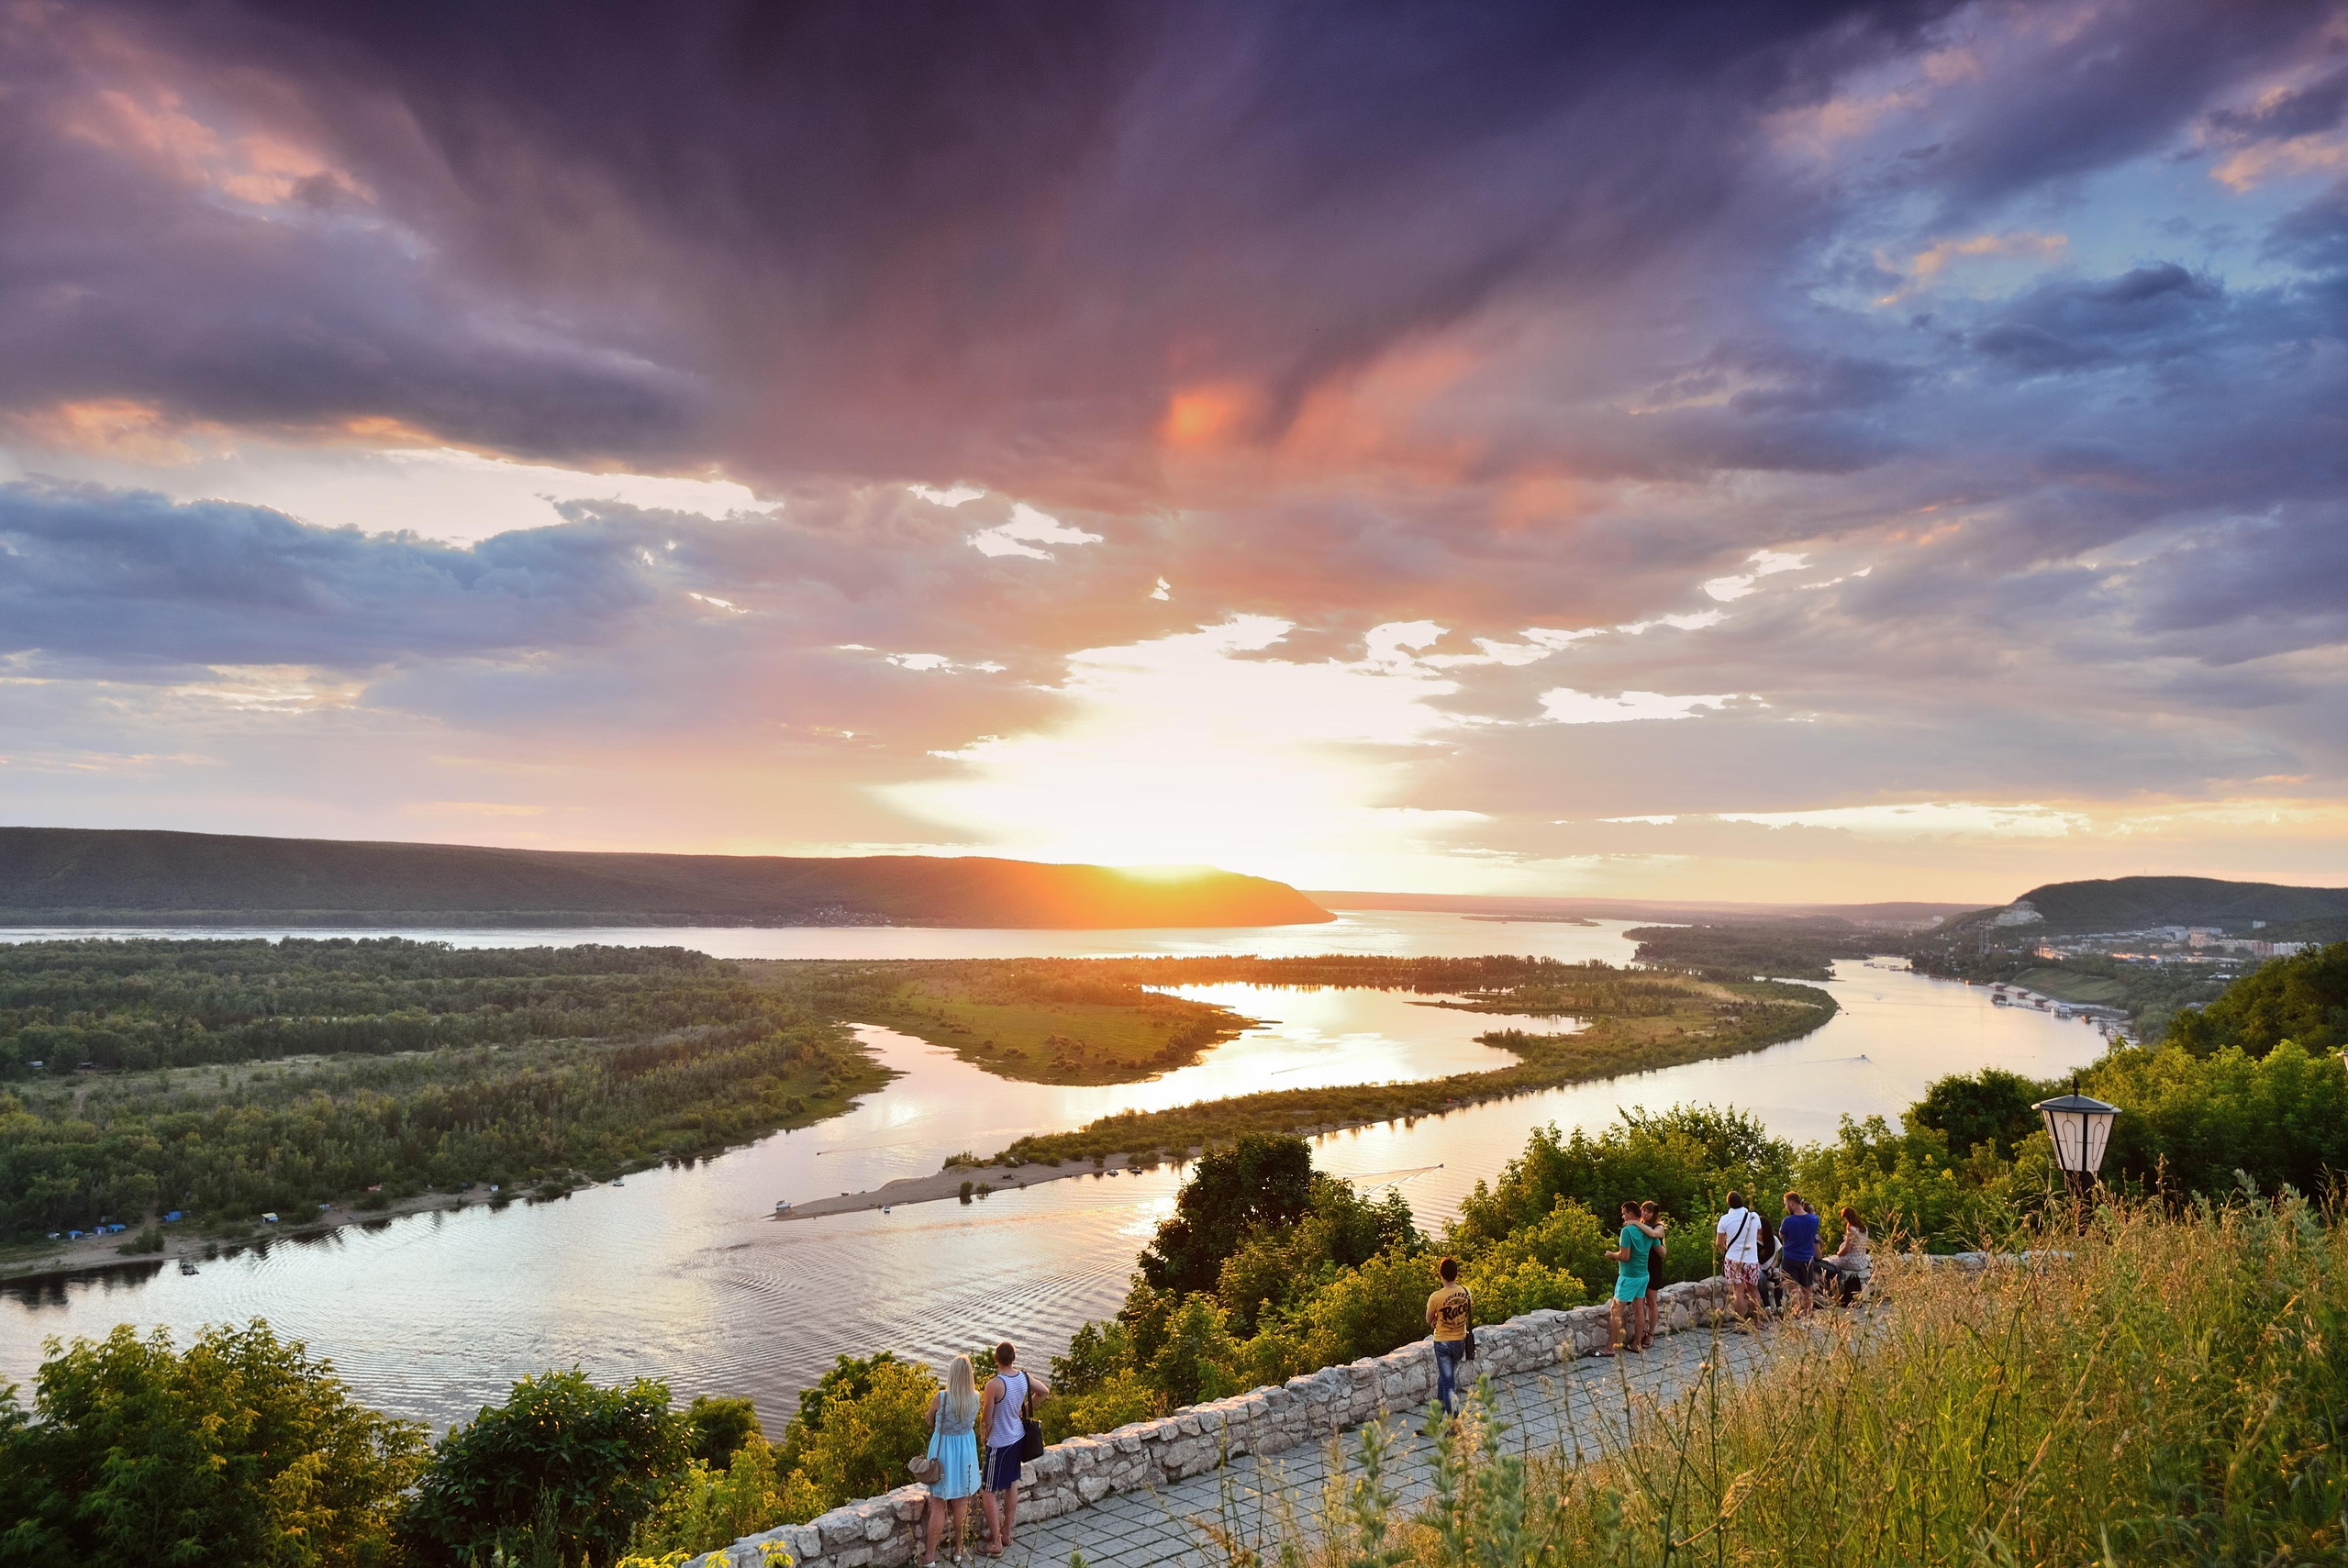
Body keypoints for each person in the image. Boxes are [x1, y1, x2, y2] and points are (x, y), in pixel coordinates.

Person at [977, 1341, 1049, 1556]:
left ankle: (997, 1543)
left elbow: (987, 1417)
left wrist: (984, 1437)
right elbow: (1044, 1391)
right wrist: (1024, 1410)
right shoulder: (1023, 1378)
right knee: (1011, 1484)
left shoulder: (994, 1385)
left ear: (996, 1359)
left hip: (1000, 1443)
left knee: (987, 1490)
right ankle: (1006, 1534)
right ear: (1014, 1358)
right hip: (1018, 1437)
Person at [917, 1355, 982, 1565]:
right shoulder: (976, 1398)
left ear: (951, 1375)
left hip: (944, 1452)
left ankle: (929, 1558)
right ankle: (959, 1551)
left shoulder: (941, 1398)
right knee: (962, 1502)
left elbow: (929, 1418)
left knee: (938, 1506)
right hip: (965, 1453)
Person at [1601, 1200, 1658, 1355]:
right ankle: (1636, 1344)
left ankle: (1609, 1348)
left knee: (1615, 1310)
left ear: (1631, 1214)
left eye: (1624, 1213)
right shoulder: (1647, 1230)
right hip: (1643, 1275)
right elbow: (1660, 1249)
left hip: (1629, 1276)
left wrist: (1611, 1255)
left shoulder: (1627, 1232)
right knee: (1639, 1309)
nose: (1622, 1216)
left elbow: (1625, 1256)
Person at [1424, 1255, 1473, 1423]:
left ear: (1440, 1274)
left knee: (1448, 1385)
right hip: (1460, 1341)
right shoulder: (1466, 1292)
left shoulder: (1436, 1297)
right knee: (1444, 1380)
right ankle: (1436, 1419)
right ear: (1456, 1274)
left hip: (1443, 1343)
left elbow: (1428, 1319)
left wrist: (1436, 1320)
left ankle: (1455, 1424)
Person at [1714, 1191, 1763, 1323]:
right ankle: (1758, 1322)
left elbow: (1719, 1243)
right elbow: (1759, 1232)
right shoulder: (1754, 1216)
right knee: (1754, 1291)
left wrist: (1726, 1249)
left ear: (1728, 1204)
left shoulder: (1724, 1219)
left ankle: (1742, 1324)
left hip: (1733, 1259)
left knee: (1738, 1292)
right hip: (1752, 1259)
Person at [1777, 1192, 1821, 1316]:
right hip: (1807, 1258)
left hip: (1791, 1257)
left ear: (1792, 1204)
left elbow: (1782, 1235)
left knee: (1793, 1290)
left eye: (1786, 1205)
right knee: (1807, 1289)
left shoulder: (1788, 1221)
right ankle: (1807, 1312)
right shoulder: (1814, 1220)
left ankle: (1796, 1313)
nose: (1786, 1207)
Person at [1821, 1205, 1870, 1306]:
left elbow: (1846, 1249)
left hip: (1852, 1260)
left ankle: (1830, 1292)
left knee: (1827, 1261)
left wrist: (1838, 1253)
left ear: (1846, 1217)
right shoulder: (1863, 1228)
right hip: (1861, 1259)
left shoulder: (1851, 1229)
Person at [1636, 1201, 1669, 1351]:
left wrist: (1636, 1224)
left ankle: (1651, 1333)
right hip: (1640, 1265)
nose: (1645, 1214)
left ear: (1654, 1214)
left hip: (1653, 1267)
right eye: (1643, 1210)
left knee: (1651, 1301)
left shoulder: (1659, 1226)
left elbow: (1656, 1236)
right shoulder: (1638, 1225)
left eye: (1648, 1211)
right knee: (1639, 1301)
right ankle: (1640, 1332)